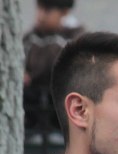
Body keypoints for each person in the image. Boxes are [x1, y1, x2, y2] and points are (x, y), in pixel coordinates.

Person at [22, 0, 85, 131]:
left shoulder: (75, 37)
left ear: (64, 12)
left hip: (59, 93)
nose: (40, 16)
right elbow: (20, 58)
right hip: (34, 94)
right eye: (39, 9)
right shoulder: (31, 36)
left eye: (47, 11)